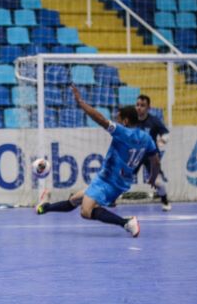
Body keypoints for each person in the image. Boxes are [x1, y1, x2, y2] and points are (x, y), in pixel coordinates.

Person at [36, 85, 160, 238]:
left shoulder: (123, 132)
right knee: (75, 199)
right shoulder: (147, 139)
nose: (116, 121)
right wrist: (153, 177)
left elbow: (100, 119)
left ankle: (126, 223)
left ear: (126, 121)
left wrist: (81, 103)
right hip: (120, 182)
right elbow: (155, 161)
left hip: (108, 181)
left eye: (119, 119)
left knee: (86, 212)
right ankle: (45, 208)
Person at [134, 94, 172, 211]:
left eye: (143, 105)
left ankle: (165, 201)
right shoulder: (131, 120)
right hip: (135, 154)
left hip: (151, 156)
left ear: (148, 107)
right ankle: (112, 200)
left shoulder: (154, 121)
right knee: (122, 177)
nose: (139, 108)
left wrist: (162, 140)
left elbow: (166, 134)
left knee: (158, 182)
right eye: (138, 105)